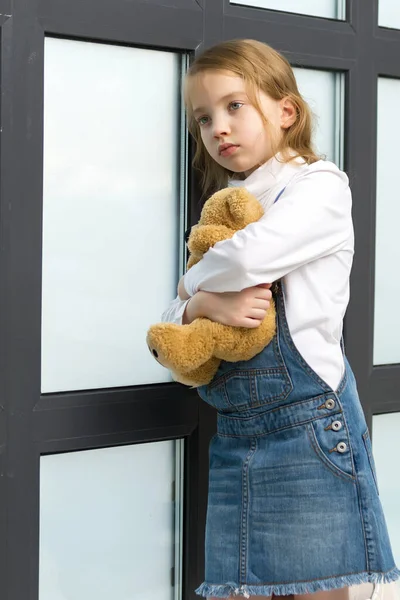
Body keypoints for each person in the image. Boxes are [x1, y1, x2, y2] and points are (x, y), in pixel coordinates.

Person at [160, 39, 399, 600]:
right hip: (238, 433)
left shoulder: (318, 187)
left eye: (235, 106)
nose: (219, 126)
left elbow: (245, 259)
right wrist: (202, 306)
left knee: (319, 589)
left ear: (286, 112)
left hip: (306, 426)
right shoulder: (228, 206)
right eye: (204, 117)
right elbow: (171, 325)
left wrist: (191, 282)